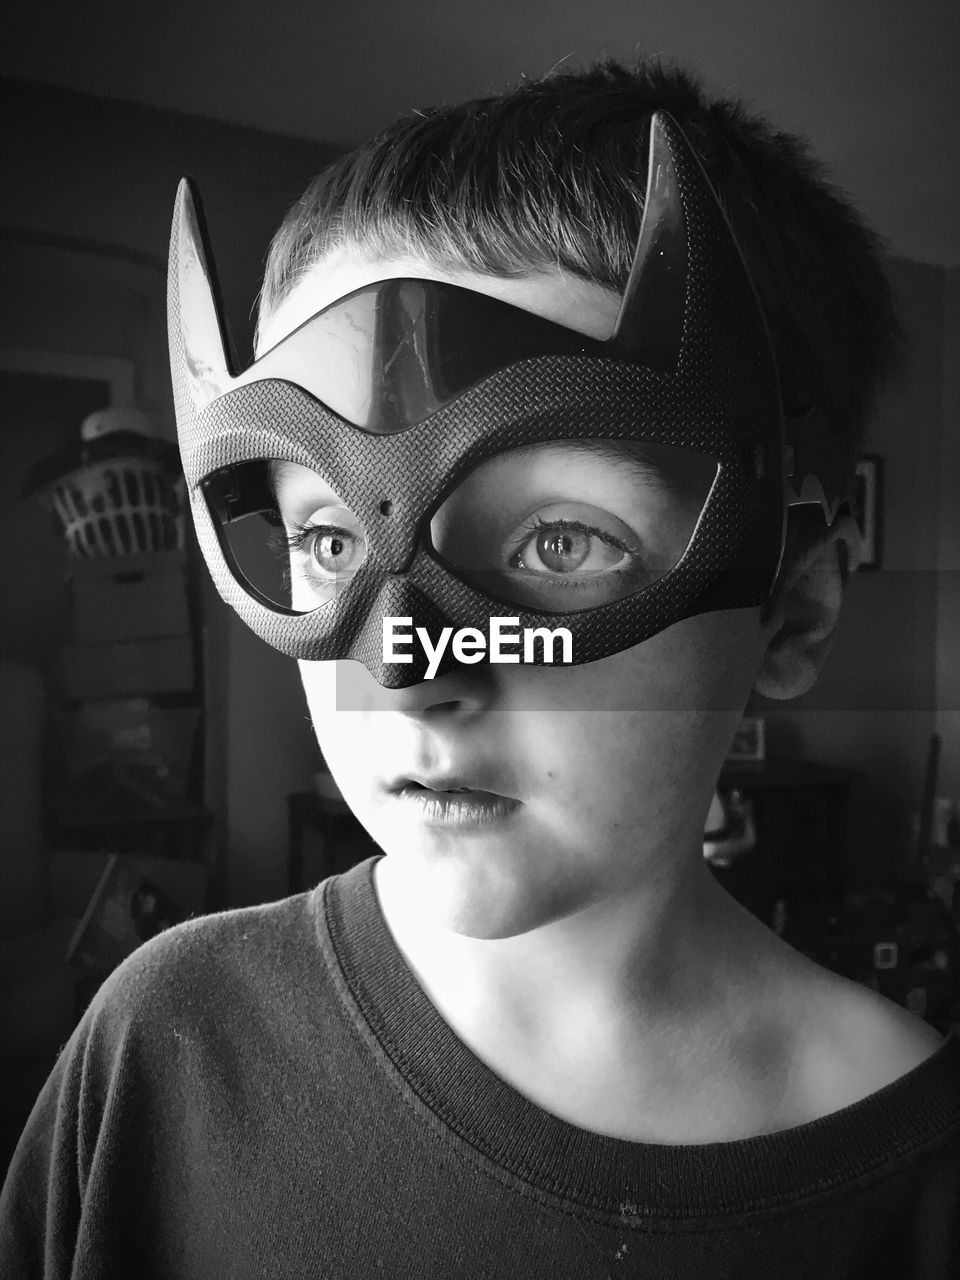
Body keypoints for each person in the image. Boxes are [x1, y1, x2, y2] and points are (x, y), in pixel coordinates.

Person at [2, 57, 959, 1278]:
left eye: (564, 542)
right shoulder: (163, 1044)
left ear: (795, 612)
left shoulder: (921, 1179)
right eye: (332, 539)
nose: (405, 667)